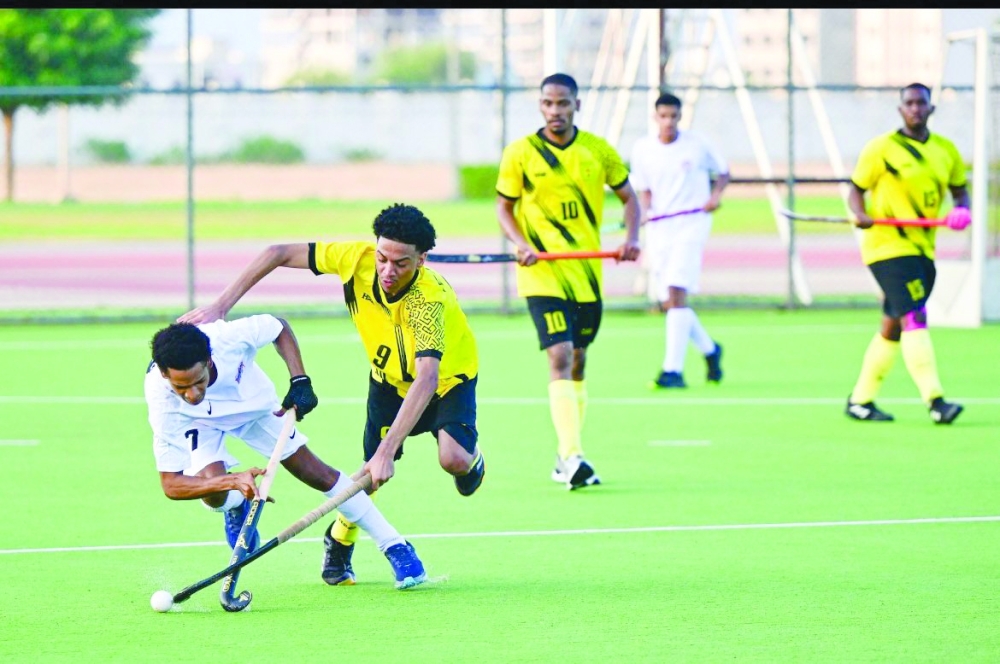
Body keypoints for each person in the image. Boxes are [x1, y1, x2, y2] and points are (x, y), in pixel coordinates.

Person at [177, 202, 484, 587]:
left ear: (422, 259)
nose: (388, 271)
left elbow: (426, 378)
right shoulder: (354, 259)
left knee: (453, 459)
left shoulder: (428, 301)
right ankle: (339, 541)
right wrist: (221, 305)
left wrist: (389, 450)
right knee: (370, 477)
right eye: (383, 257)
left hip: (445, 382)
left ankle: (473, 462)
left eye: (401, 263)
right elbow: (277, 253)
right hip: (387, 381)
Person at [146, 315, 427, 590]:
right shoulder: (162, 399)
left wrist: (299, 379)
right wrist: (231, 481)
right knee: (212, 494)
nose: (192, 394)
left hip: (254, 410)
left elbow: (278, 326)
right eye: (181, 387)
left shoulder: (228, 338)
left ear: (209, 360)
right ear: (163, 374)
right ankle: (234, 505)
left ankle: (395, 545)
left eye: (199, 381)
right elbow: (171, 484)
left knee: (315, 472)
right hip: (199, 423)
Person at [495, 72, 641, 490]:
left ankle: (565, 456)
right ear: (540, 105)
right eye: (547, 103)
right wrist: (521, 243)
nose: (555, 111)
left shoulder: (598, 150)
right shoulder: (520, 153)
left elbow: (629, 198)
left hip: (587, 276)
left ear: (577, 104)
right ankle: (573, 457)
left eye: (563, 104)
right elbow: (504, 208)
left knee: (578, 359)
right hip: (541, 273)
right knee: (558, 355)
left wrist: (631, 239)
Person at [844, 82, 971, 425]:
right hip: (886, 247)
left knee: (893, 325)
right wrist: (860, 213)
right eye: (909, 103)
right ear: (900, 109)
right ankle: (936, 401)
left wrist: (962, 211)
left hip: (922, 248)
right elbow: (856, 190)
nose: (915, 108)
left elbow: (960, 191)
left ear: (931, 109)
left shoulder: (946, 150)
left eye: (921, 103)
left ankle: (860, 400)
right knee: (915, 315)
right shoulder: (881, 149)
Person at [629, 92, 729, 389]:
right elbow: (644, 190)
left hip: (692, 225)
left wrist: (714, 196)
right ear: (655, 117)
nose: (669, 121)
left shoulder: (697, 145)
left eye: (674, 116)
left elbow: (723, 172)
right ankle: (711, 350)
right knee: (668, 302)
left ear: (680, 117)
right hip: (661, 230)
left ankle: (673, 371)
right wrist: (645, 213)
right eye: (663, 116)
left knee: (676, 292)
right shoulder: (643, 149)